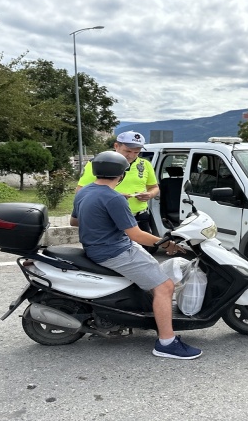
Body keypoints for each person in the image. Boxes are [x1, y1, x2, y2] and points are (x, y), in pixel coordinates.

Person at [70, 151, 202, 360]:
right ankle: (166, 342)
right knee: (165, 286)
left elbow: (74, 222)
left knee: (155, 277)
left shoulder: (84, 192)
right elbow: (137, 235)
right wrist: (167, 243)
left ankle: (148, 316)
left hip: (97, 248)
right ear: (121, 174)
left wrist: (106, 214)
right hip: (115, 251)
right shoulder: (113, 198)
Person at [76, 131, 159, 235]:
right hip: (109, 218)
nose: (131, 156)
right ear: (116, 146)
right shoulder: (99, 163)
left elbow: (154, 187)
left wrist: (150, 194)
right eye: (127, 151)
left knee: (144, 249)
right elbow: (81, 191)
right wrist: (113, 196)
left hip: (139, 217)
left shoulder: (145, 164)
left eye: (136, 152)